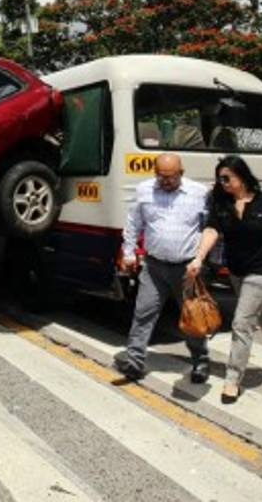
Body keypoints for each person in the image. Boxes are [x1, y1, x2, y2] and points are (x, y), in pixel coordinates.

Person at [189, 155, 262, 403]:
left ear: (241, 176)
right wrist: (199, 257)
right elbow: (211, 230)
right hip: (238, 272)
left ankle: (233, 380)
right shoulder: (221, 204)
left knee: (241, 323)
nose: (222, 183)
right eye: (219, 179)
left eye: (227, 178)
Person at [113, 152, 211, 384]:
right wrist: (128, 252)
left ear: (181, 173)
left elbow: (210, 227)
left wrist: (204, 260)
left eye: (171, 177)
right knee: (143, 313)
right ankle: (134, 363)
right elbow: (133, 223)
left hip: (186, 269)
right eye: (161, 176)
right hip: (154, 266)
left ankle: (201, 360)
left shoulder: (199, 193)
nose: (166, 181)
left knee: (192, 317)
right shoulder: (144, 190)